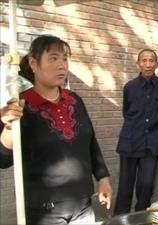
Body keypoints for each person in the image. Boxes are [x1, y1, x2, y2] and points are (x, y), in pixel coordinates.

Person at [0, 35, 112, 225]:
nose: (62, 65)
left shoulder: (74, 100)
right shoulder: (18, 105)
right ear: (34, 64)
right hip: (43, 211)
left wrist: (103, 178)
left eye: (65, 59)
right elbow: (3, 160)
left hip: (83, 206)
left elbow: (90, 142)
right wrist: (9, 127)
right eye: (53, 58)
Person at [114, 49, 158, 215]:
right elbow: (126, 111)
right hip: (130, 141)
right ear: (138, 64)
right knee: (125, 185)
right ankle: (120, 218)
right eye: (144, 61)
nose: (148, 64)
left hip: (151, 143)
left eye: (151, 61)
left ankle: (140, 217)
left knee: (146, 184)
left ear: (157, 64)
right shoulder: (130, 87)